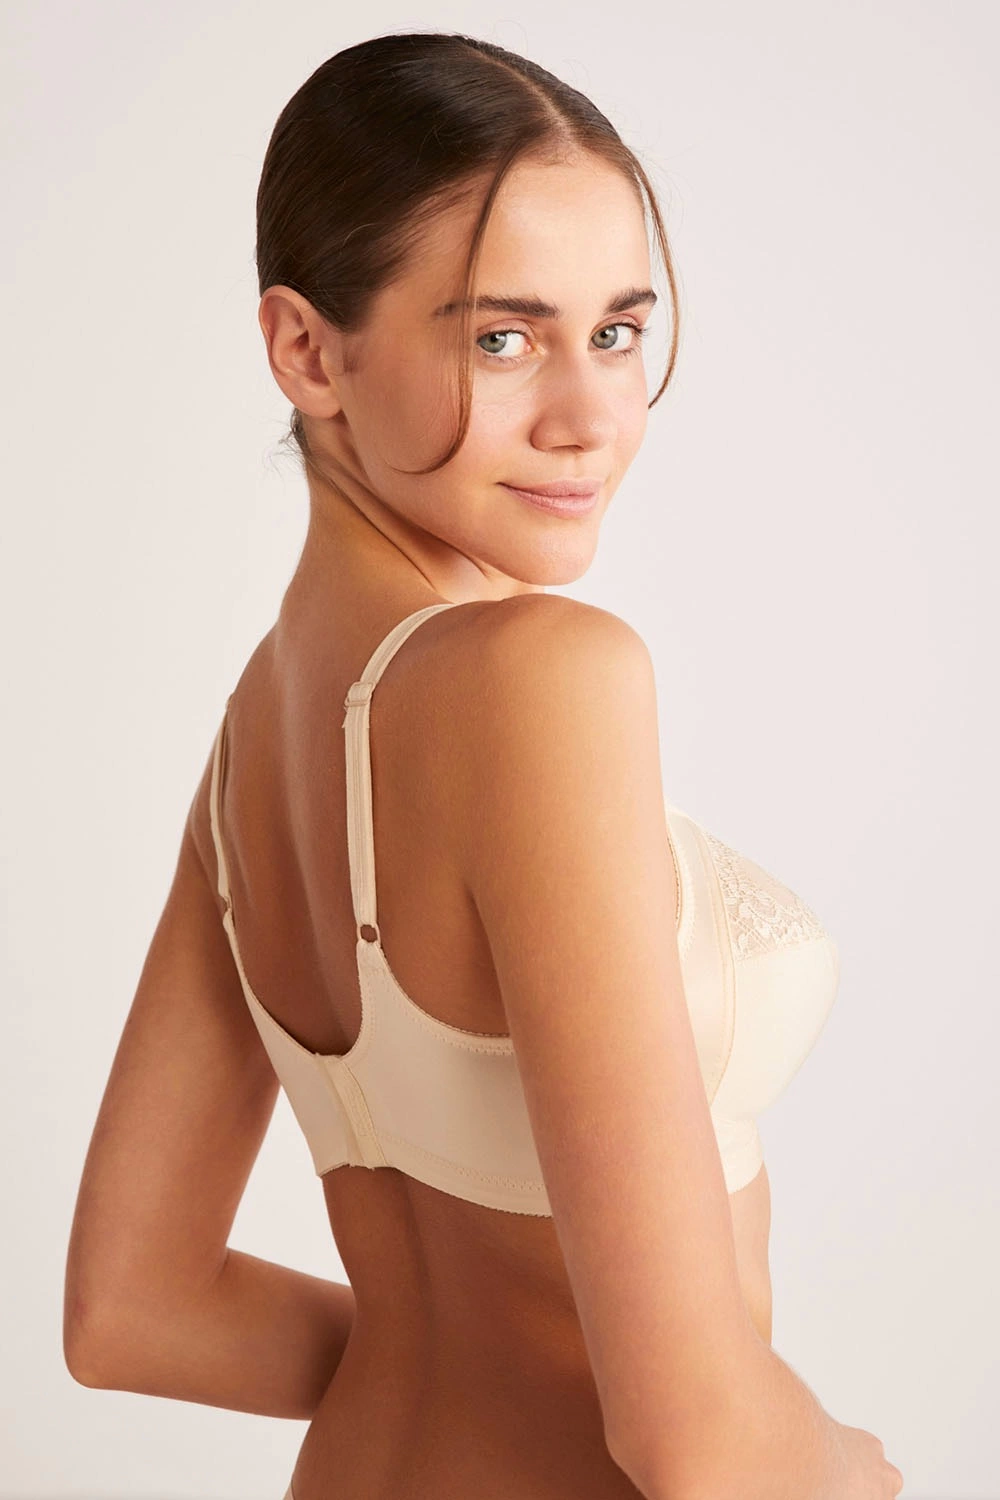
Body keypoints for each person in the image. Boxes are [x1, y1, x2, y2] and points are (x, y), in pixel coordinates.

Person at [62, 31, 904, 1500]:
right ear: (307, 351)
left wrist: (450, 1364)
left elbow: (136, 1310)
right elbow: (695, 1440)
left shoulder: (259, 734)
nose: (590, 418)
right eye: (503, 340)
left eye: (619, 333)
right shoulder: (542, 678)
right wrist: (854, 1468)